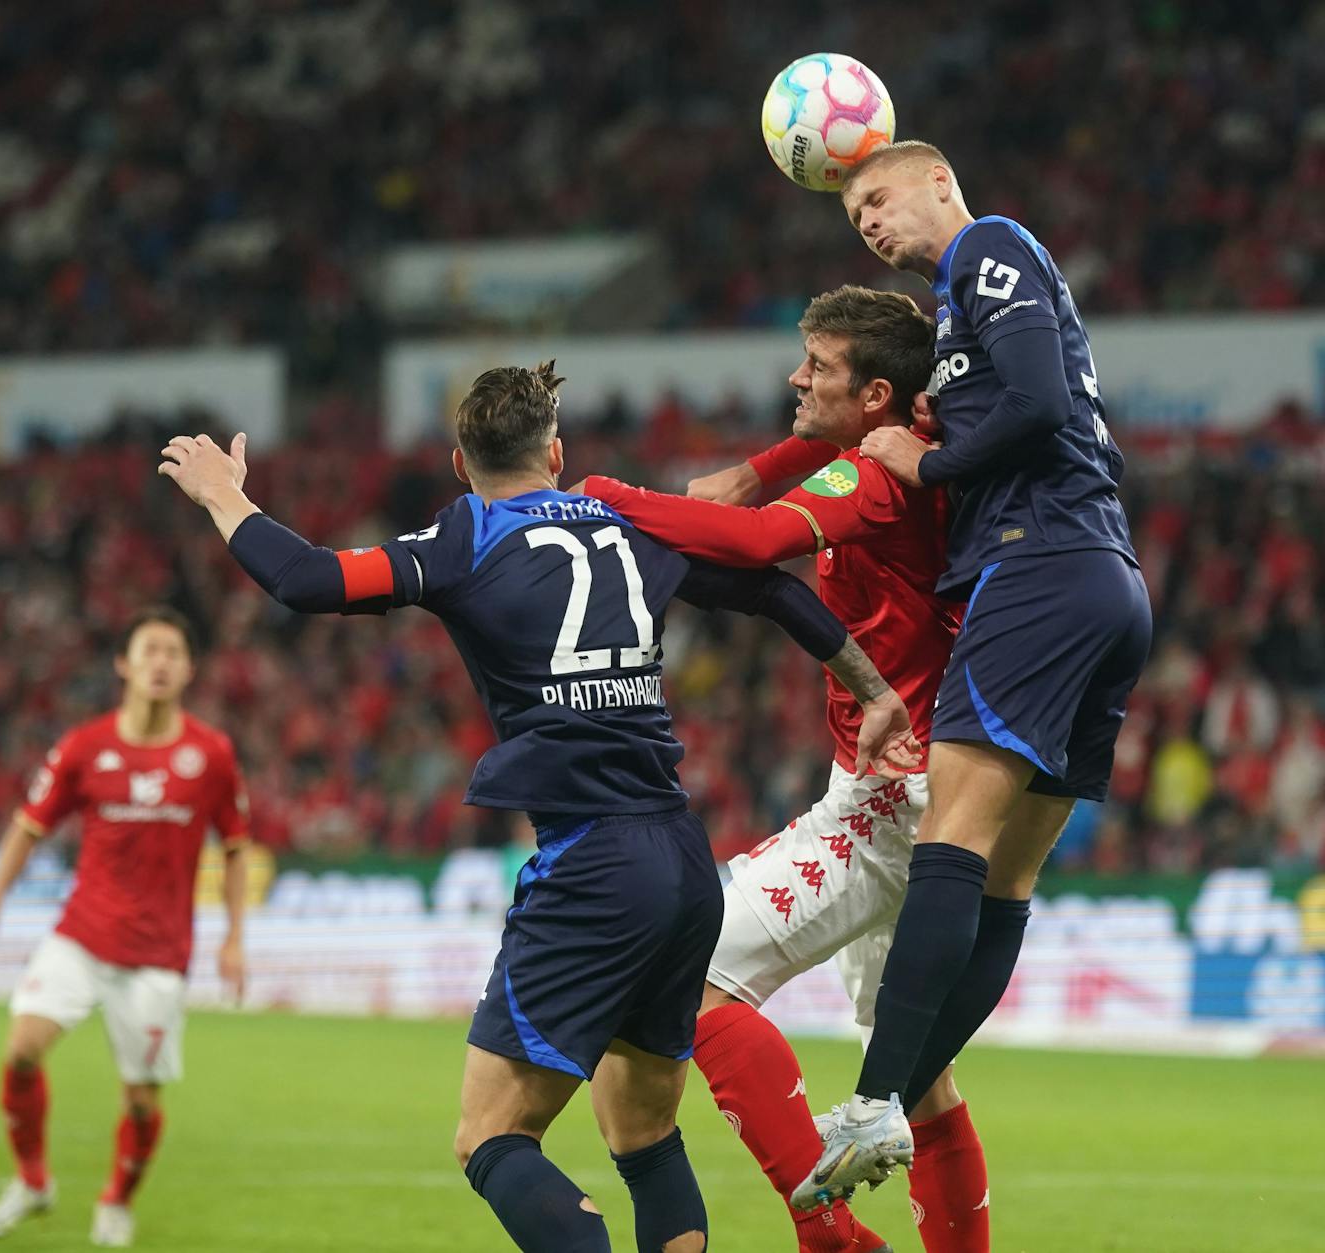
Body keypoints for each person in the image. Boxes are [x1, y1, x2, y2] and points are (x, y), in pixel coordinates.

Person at [156, 362, 918, 1253]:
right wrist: (873, 689)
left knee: (490, 1136)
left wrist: (223, 494)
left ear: (460, 465)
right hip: (681, 862)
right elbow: (774, 588)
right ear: (556, 454)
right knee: (643, 1134)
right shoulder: (631, 520)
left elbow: (308, 579)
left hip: (592, 865)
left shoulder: (466, 535)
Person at [580, 285, 998, 1253]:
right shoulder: (914, 442)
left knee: (689, 976)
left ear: (877, 396)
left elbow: (758, 540)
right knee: (921, 1080)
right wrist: (761, 466)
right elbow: (808, 462)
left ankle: (831, 1234)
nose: (794, 376)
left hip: (893, 799)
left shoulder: (879, 477)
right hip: (930, 780)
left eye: (818, 366)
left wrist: (597, 495)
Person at [798, 141, 1152, 1208]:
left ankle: (874, 1098)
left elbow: (1039, 401)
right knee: (1006, 879)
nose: (867, 219)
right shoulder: (958, 313)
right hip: (1103, 580)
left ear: (940, 184)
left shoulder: (988, 248)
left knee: (951, 839)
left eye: (878, 196)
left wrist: (931, 461)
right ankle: (892, 1098)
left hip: (1034, 564)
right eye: (852, 211)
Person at [0, 607, 251, 1248]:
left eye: (173, 652)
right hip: (82, 937)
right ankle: (32, 1182)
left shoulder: (211, 754)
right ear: (124, 664)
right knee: (21, 1049)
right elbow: (27, 827)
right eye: (149, 650)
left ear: (189, 669)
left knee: (141, 1100)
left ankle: (116, 1200)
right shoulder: (84, 747)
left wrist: (235, 937)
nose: (160, 662)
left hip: (158, 954)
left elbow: (235, 847)